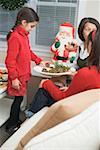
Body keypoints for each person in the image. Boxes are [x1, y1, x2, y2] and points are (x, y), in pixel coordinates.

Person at [26, 26, 100, 117]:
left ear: (93, 46)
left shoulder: (86, 73)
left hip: (73, 111)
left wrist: (46, 83)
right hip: (86, 109)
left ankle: (31, 117)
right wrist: (70, 90)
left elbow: (63, 97)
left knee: (43, 90)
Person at [5, 7, 44, 131]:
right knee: (17, 100)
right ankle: (11, 125)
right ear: (23, 23)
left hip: (24, 75)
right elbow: (10, 61)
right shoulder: (15, 37)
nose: (32, 30)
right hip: (18, 77)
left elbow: (28, 52)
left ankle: (15, 120)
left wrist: (39, 60)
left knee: (20, 99)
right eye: (31, 26)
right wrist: (14, 78)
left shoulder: (24, 35)